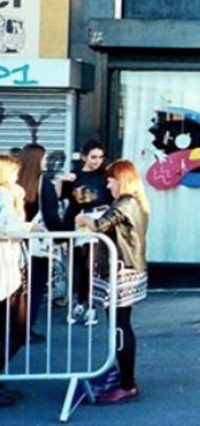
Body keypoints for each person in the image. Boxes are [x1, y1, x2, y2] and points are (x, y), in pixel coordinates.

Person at [75, 160, 149, 405]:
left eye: (111, 180)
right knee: (120, 325)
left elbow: (101, 225)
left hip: (122, 271)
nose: (108, 184)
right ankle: (124, 377)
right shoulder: (134, 201)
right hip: (127, 269)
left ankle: (127, 384)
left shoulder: (126, 202)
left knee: (120, 327)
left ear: (122, 179)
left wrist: (85, 219)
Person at [59, 140, 112, 327]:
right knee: (80, 264)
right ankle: (80, 302)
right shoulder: (76, 176)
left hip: (100, 219)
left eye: (100, 157)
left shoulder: (106, 176)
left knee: (93, 264)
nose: (97, 161)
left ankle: (90, 306)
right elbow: (69, 206)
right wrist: (63, 236)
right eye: (93, 157)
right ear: (84, 157)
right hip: (80, 220)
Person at [17, 144, 64, 342]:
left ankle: (13, 327)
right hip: (38, 243)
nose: (46, 162)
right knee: (35, 288)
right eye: (44, 158)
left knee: (18, 288)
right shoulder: (43, 183)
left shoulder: (15, 183)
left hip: (17, 241)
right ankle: (26, 328)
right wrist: (62, 237)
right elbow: (52, 216)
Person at [0, 155, 35, 407]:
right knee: (14, 331)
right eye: (14, 171)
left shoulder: (9, 195)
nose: (17, 175)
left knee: (13, 331)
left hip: (11, 270)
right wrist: (31, 228)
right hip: (5, 272)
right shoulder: (3, 195)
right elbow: (10, 227)